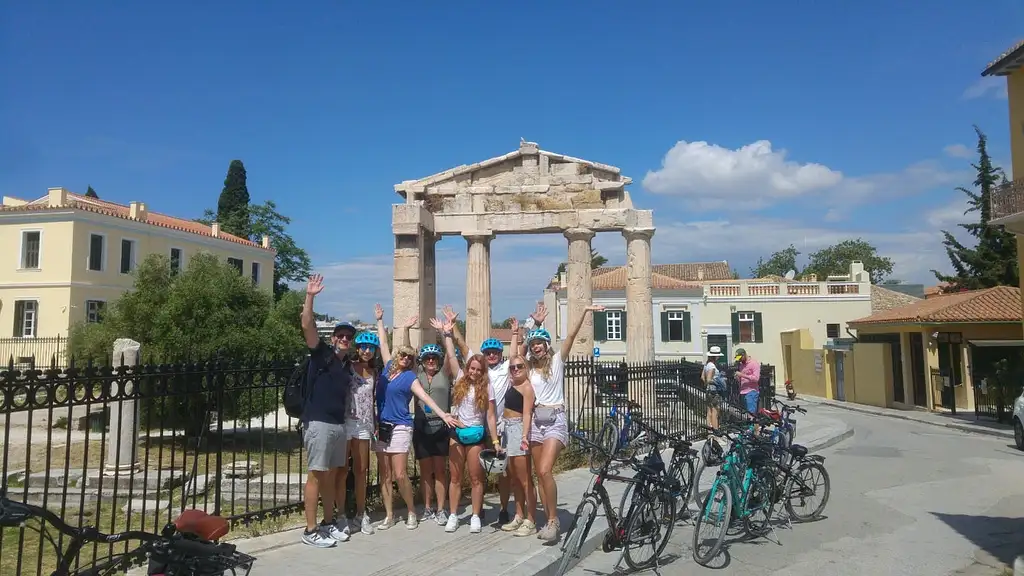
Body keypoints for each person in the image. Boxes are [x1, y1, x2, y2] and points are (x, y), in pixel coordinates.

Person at [521, 302, 604, 543]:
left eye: (540, 343)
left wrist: (586, 311)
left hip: (556, 419)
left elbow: (570, 335)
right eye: (534, 344)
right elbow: (518, 351)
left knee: (546, 470)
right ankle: (548, 519)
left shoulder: (558, 361)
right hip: (537, 420)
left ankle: (553, 520)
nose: (536, 347)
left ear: (547, 346)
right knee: (539, 474)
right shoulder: (530, 368)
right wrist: (533, 324)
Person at [374, 304, 457, 530]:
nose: (405, 358)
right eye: (402, 356)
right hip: (382, 426)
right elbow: (384, 343)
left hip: (402, 425)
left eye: (409, 358)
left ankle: (412, 511)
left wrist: (444, 415)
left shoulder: (411, 377)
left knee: (401, 473)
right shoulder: (386, 369)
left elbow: (427, 400)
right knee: (386, 475)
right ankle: (390, 515)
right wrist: (381, 321)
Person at [441, 304, 514, 526]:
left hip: (477, 433)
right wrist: (447, 333)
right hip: (457, 431)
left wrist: (494, 441)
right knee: (454, 477)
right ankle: (453, 515)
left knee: (476, 477)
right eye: (471, 368)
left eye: (477, 369)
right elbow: (455, 354)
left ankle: (475, 515)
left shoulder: (488, 386)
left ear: (482, 371)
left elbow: (490, 416)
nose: (473, 371)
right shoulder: (460, 378)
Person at [298, 274, 355, 548]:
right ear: (333, 338)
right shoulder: (321, 354)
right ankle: (310, 530)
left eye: (348, 337)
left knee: (332, 475)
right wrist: (310, 296)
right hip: (318, 422)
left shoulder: (346, 366)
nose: (344, 339)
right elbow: (307, 324)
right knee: (316, 475)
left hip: (337, 424)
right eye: (341, 335)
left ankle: (328, 522)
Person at [332, 330, 381, 537]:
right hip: (345, 421)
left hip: (364, 424)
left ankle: (361, 514)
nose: (367, 351)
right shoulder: (348, 366)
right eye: (363, 347)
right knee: (342, 471)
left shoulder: (375, 372)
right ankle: (341, 514)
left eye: (370, 348)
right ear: (357, 349)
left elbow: (374, 401)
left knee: (361, 471)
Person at [411, 340, 454, 527]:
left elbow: (451, 356)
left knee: (440, 471)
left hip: (440, 427)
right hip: (421, 427)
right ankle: (427, 507)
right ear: (422, 360)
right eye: (427, 358)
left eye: (434, 358)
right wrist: (405, 330)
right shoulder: (417, 374)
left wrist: (447, 334)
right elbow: (406, 355)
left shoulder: (444, 374)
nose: (430, 360)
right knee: (425, 471)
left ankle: (441, 508)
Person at [499, 350, 538, 536]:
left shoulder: (527, 387)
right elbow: (515, 351)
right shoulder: (511, 383)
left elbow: (527, 413)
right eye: (512, 367)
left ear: (526, 367)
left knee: (525, 479)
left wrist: (524, 436)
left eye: (519, 366)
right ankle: (519, 515)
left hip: (518, 429)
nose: (515, 370)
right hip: (507, 430)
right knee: (514, 478)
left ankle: (531, 519)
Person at [701, 346, 725, 431]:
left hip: (708, 390)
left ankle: (709, 431)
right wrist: (717, 382)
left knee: (709, 411)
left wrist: (706, 385)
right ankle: (715, 430)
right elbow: (708, 379)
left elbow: (702, 377)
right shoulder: (712, 366)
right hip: (714, 391)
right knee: (715, 411)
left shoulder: (706, 365)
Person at [735, 348, 762, 414]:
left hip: (751, 391)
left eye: (740, 358)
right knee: (745, 414)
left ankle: (752, 424)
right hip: (742, 392)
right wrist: (738, 378)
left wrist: (742, 375)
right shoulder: (741, 365)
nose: (740, 360)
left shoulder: (754, 364)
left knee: (751, 413)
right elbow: (741, 379)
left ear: (744, 355)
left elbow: (756, 378)